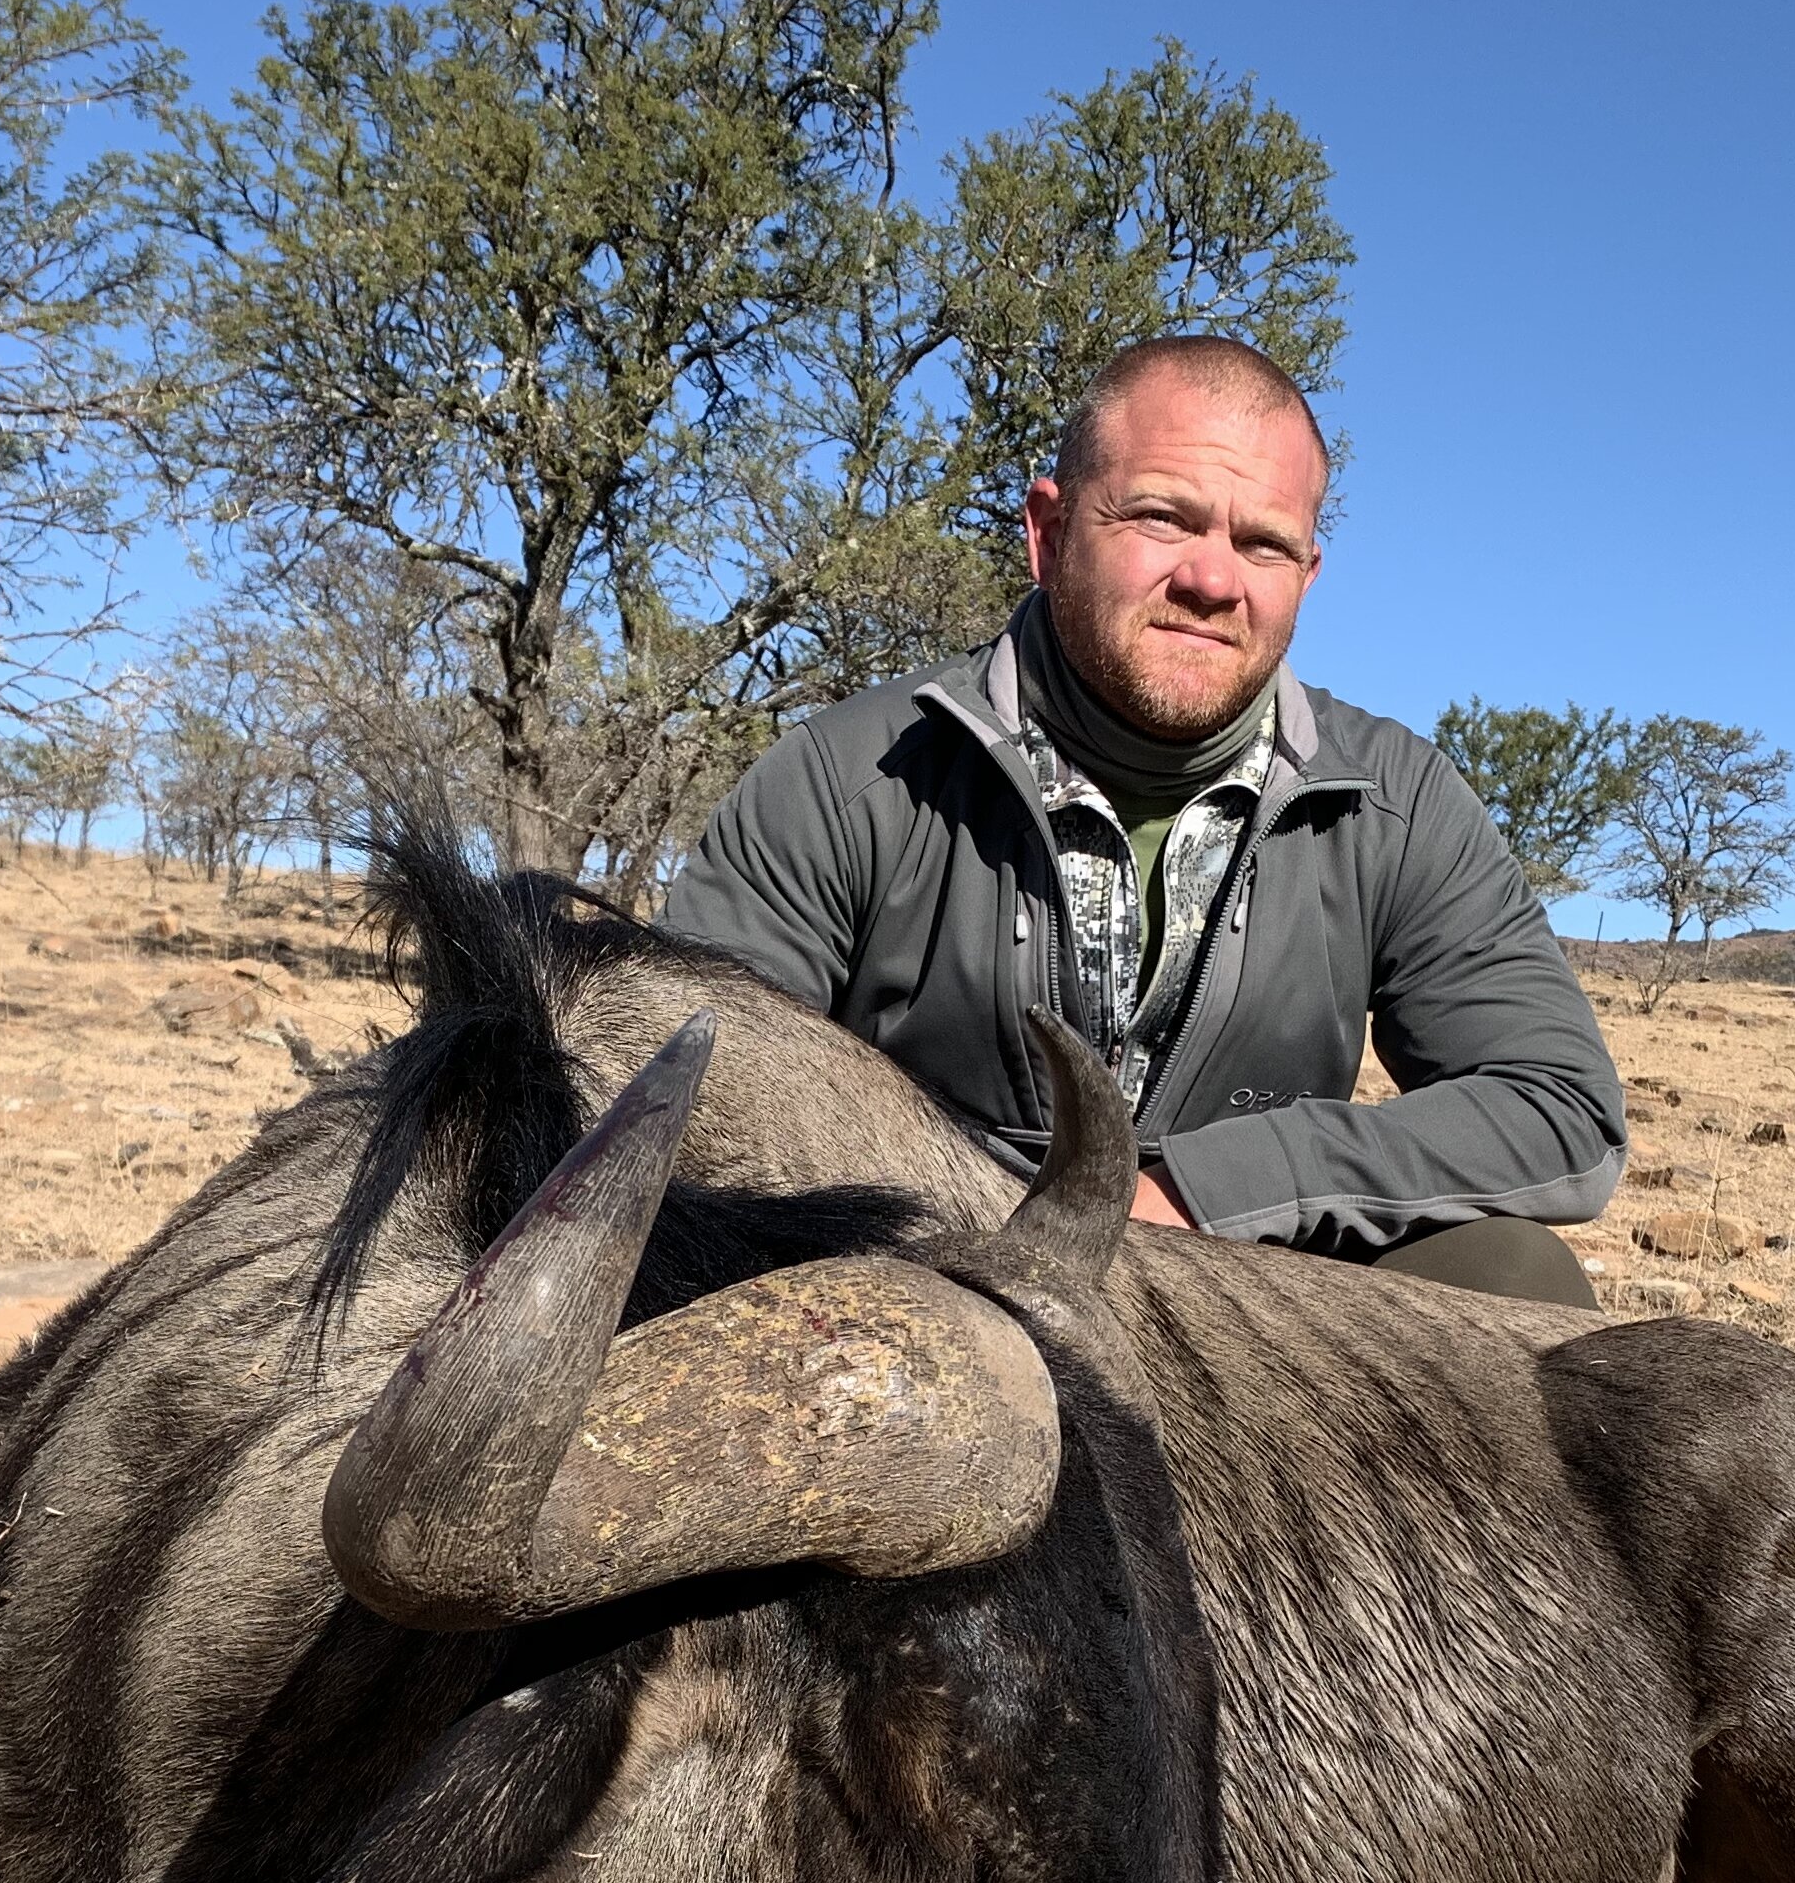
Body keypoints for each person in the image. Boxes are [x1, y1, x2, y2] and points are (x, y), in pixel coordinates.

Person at [661, 335, 1627, 1304]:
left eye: (1264, 544)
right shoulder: (851, 774)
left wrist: (1222, 1188)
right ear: (1049, 532)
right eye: (1164, 518)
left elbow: (1561, 1106)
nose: (1214, 581)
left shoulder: (1396, 801)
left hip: (1232, 1293)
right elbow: (675, 1091)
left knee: (1513, 1280)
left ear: (1308, 576)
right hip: (907, 1290)